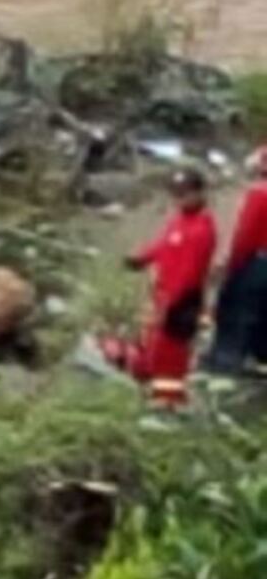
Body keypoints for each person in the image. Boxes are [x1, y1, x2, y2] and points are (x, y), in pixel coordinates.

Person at [99, 168, 217, 407]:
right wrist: (142, 259)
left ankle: (169, 403)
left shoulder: (202, 230)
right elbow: (163, 245)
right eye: (176, 194)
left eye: (184, 194)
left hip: (181, 302)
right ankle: (148, 385)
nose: (179, 200)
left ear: (199, 193)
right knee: (153, 345)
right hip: (163, 297)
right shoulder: (180, 221)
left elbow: (190, 275)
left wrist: (170, 304)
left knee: (171, 355)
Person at [209, 147, 267, 374]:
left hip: (258, 265)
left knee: (236, 315)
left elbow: (246, 237)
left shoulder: (260, 195)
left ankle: (225, 366)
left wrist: (231, 265)